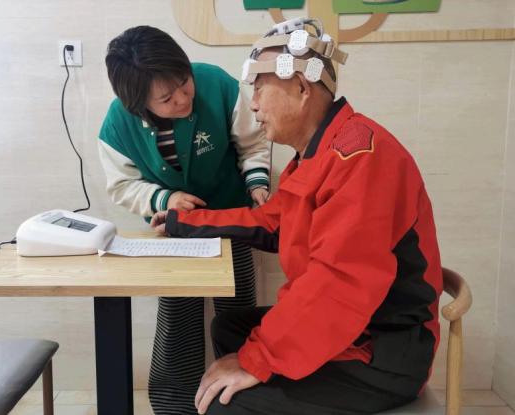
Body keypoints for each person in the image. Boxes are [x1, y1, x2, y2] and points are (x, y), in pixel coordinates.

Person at [151, 18, 443, 415]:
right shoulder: (319, 153)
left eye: (259, 88)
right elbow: (270, 221)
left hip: (382, 351)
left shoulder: (360, 157)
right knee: (229, 327)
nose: (253, 104)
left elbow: (338, 283)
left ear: (302, 88)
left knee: (225, 403)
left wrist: (256, 360)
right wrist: (182, 222)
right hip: (354, 325)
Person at [98, 25, 271, 414]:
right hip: (176, 230)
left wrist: (258, 183)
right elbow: (122, 185)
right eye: (166, 98)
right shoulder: (117, 124)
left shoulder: (218, 85)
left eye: (183, 82)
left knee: (239, 309)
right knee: (178, 314)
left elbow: (253, 144)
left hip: (233, 219)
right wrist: (165, 198)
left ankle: (244, 402)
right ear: (137, 104)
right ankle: (175, 406)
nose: (182, 98)